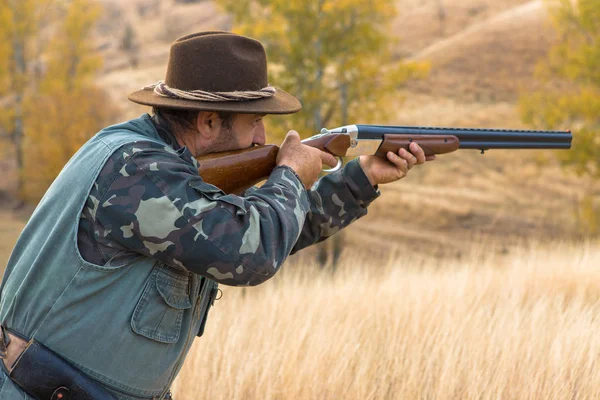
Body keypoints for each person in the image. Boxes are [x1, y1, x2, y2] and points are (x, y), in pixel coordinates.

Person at [0, 31, 432, 399]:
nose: (263, 137)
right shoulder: (138, 170)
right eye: (255, 121)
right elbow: (251, 251)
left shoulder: (159, 162)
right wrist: (289, 174)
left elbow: (273, 229)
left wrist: (362, 178)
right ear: (208, 122)